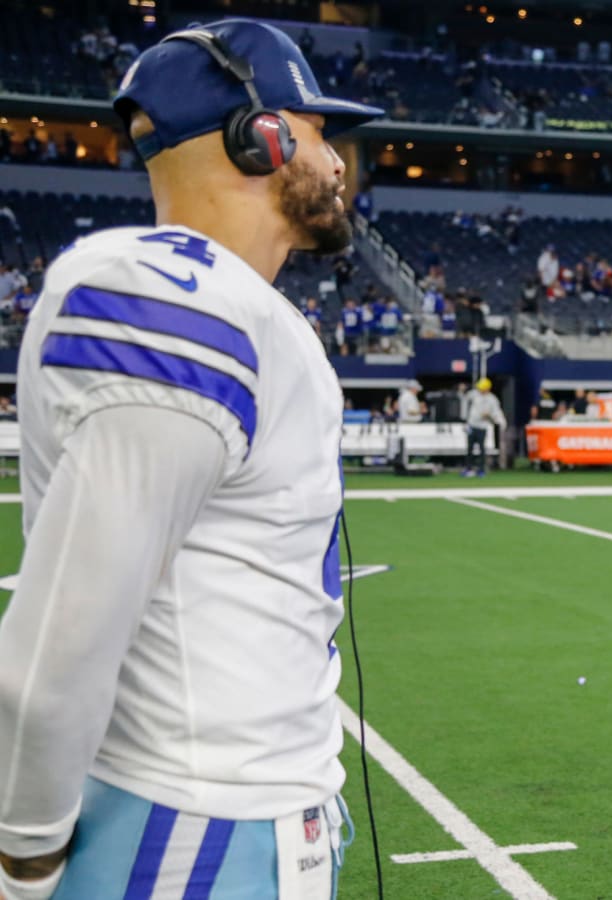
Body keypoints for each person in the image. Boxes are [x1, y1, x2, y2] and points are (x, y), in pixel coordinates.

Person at [0, 19, 382, 900]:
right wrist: (24, 857)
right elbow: (67, 628)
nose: (337, 162)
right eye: (320, 132)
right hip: (187, 832)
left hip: (239, 817)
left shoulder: (248, 313)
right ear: (266, 137)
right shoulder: (169, 294)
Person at [463, 376, 506, 477]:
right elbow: (465, 396)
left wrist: (491, 416)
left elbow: (496, 412)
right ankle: (468, 468)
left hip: (482, 427)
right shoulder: (474, 394)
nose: (480, 390)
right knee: (469, 448)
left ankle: (481, 469)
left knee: (482, 449)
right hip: (472, 425)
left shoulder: (492, 399)